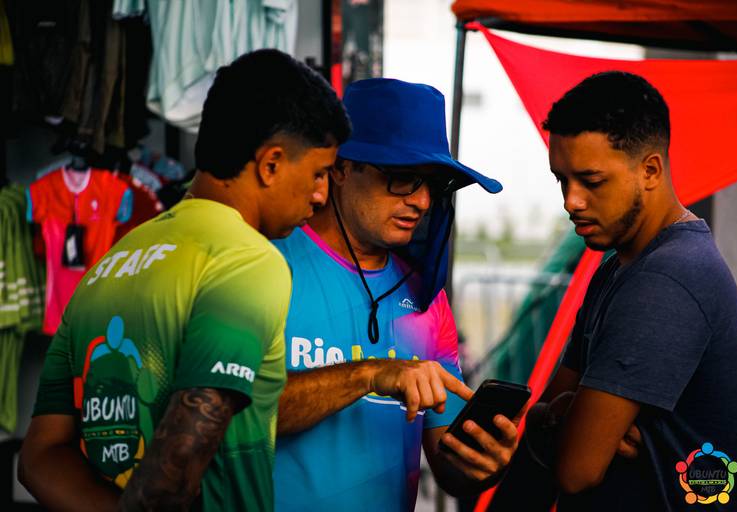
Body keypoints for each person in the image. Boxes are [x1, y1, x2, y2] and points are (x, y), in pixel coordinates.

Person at [19, 49, 350, 511]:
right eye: (318, 173)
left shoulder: (109, 265)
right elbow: (180, 459)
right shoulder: (247, 260)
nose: (320, 195)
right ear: (271, 163)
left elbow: (40, 457)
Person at [271, 78, 520, 512]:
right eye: (403, 178)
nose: (421, 201)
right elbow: (234, 411)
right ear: (341, 167)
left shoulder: (427, 298)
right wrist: (369, 374)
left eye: (433, 185)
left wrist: (484, 462)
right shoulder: (269, 265)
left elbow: (449, 465)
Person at [514, 71, 737, 511]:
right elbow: (549, 407)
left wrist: (564, 418)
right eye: (562, 180)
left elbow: (576, 469)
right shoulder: (618, 268)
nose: (571, 201)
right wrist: (563, 413)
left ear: (650, 170)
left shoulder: (668, 277)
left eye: (591, 181)